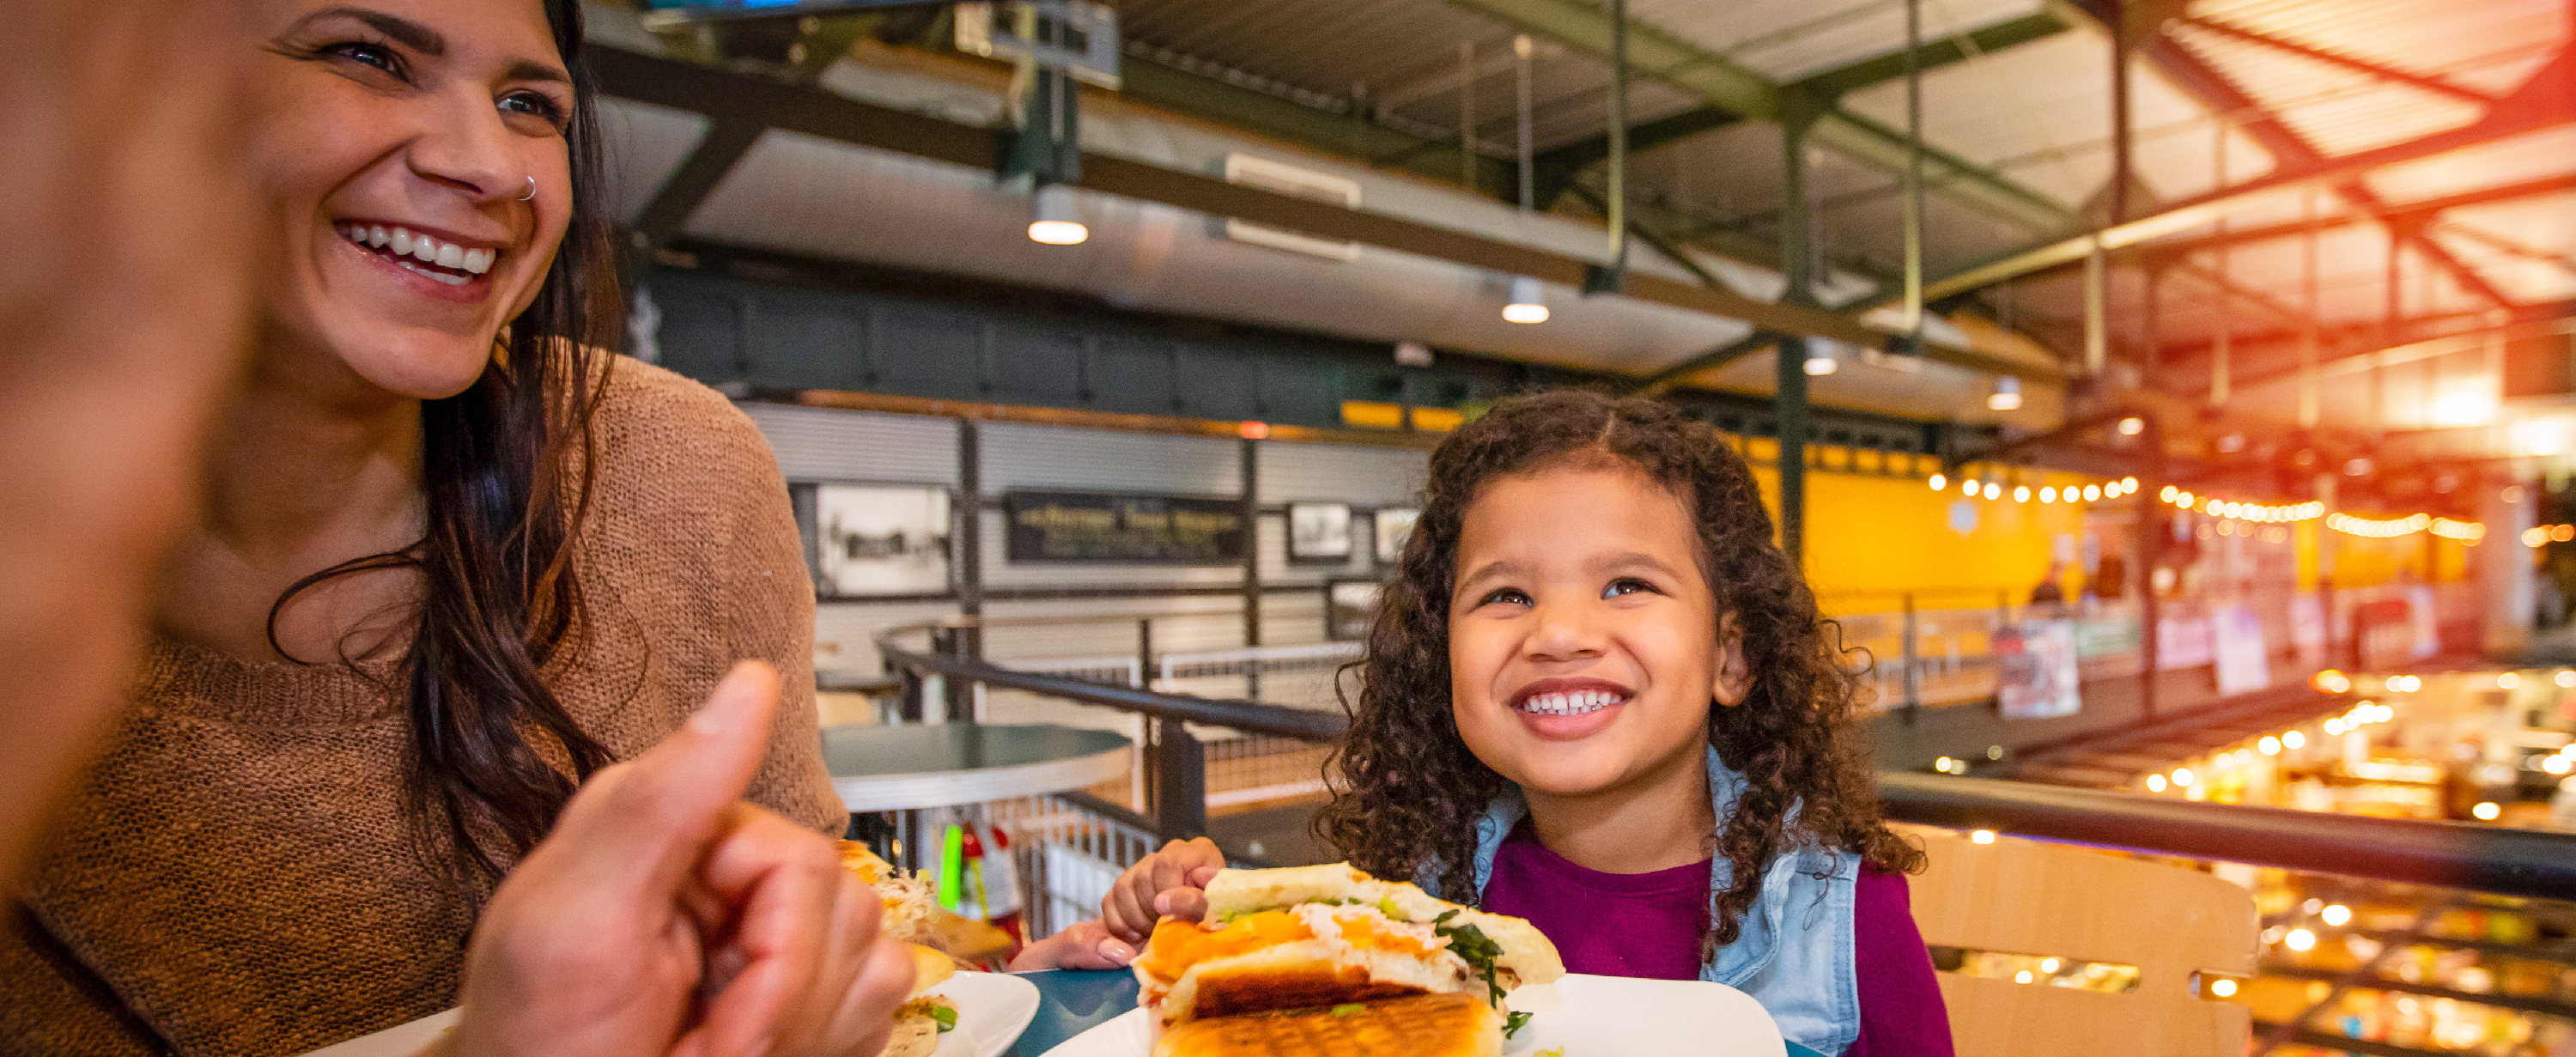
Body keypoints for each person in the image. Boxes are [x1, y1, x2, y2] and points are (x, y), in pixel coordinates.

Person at [2, 1, 861, 1052]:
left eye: (528, 103)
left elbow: (818, 898)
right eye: (366, 55)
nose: (492, 166)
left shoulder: (677, 466)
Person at [1033, 391, 1950, 1055]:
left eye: (1626, 584)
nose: (1557, 633)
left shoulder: (1845, 922)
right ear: (1442, 656)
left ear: (1733, 658)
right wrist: (1203, 948)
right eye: (1506, 593)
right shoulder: (1406, 902)